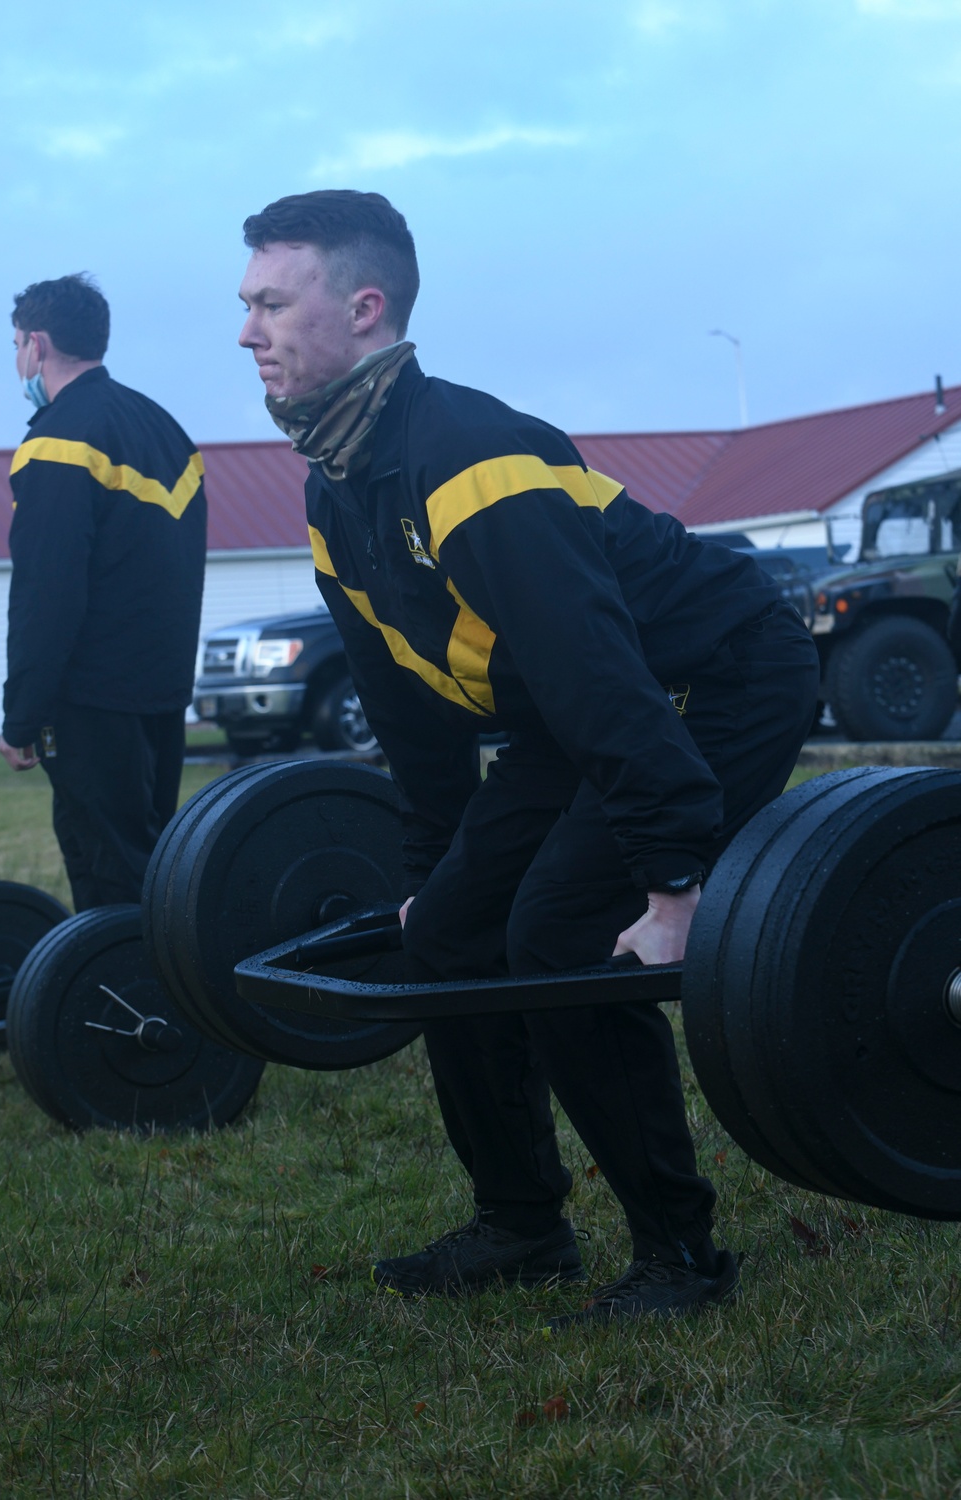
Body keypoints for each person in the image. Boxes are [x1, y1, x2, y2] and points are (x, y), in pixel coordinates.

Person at [237, 191, 819, 1328]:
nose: (247, 330)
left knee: (558, 932)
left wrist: (670, 882)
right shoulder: (337, 489)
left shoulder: (471, 456)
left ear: (363, 310)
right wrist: (429, 873)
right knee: (449, 932)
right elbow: (412, 716)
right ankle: (521, 1225)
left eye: (270, 302)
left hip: (717, 677)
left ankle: (678, 1255)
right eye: (244, 304)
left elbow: (602, 680)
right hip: (586, 711)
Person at [0, 274, 207, 912]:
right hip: (160, 695)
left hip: (89, 702)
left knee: (109, 878)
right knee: (153, 863)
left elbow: (46, 592)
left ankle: (134, 1007)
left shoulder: (56, 443)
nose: (17, 360)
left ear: (36, 345)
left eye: (15, 346)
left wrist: (22, 714)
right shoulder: (165, 431)